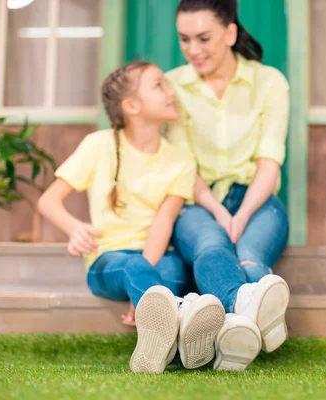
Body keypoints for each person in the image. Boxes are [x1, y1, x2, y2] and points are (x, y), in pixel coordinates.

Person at [38, 60, 226, 374]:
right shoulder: (98, 145)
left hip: (153, 257)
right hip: (107, 261)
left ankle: (163, 342)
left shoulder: (180, 160)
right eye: (158, 85)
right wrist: (74, 227)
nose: (170, 91)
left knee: (173, 268)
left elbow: (164, 223)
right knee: (134, 266)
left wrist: (143, 292)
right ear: (132, 106)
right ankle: (180, 327)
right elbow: (48, 201)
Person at [164, 0, 291, 371]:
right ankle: (240, 321)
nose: (193, 50)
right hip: (197, 201)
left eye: (204, 38)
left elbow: (269, 162)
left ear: (230, 33)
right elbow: (184, 166)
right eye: (184, 39)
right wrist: (220, 212)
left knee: (250, 253)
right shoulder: (172, 85)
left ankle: (232, 333)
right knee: (210, 245)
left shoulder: (269, 83)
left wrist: (243, 212)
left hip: (257, 196)